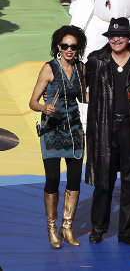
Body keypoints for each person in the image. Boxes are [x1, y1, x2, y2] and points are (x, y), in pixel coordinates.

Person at [85, 17, 130, 246]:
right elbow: (77, 83)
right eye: (112, 36)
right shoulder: (96, 59)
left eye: (121, 36)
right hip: (104, 126)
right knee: (103, 181)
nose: (116, 39)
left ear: (129, 38)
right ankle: (98, 228)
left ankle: (126, 231)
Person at [29, 25, 86, 248]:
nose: (69, 49)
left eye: (73, 46)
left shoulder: (81, 68)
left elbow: (83, 95)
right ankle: (52, 228)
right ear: (58, 47)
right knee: (52, 180)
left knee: (74, 181)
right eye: (65, 46)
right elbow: (32, 102)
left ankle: (67, 227)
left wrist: (111, 94)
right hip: (52, 132)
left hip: (74, 132)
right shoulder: (49, 68)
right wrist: (44, 108)